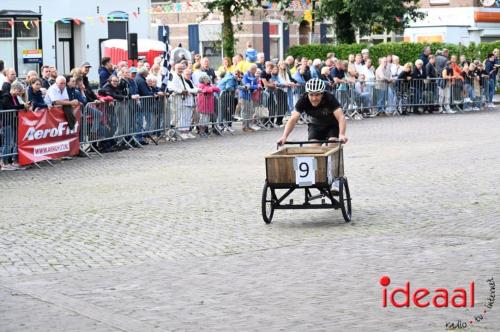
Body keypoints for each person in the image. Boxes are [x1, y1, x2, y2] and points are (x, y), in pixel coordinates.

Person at [277, 78, 347, 147]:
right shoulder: (303, 100)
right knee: (313, 149)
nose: (314, 98)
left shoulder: (329, 98)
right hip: (315, 125)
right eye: (311, 95)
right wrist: (284, 137)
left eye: (317, 95)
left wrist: (342, 134)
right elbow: (293, 119)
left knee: (333, 145)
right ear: (307, 94)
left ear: (322, 94)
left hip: (331, 125)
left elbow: (341, 117)